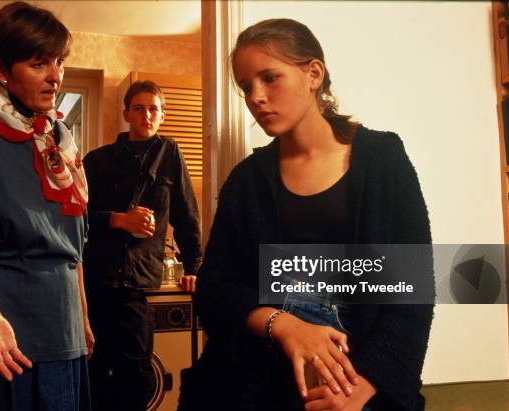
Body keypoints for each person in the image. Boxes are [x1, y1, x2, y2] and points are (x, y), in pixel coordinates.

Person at [181, 18, 434, 411]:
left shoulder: (383, 158)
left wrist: (365, 386)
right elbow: (214, 289)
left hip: (357, 378)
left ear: (314, 74)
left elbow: (413, 294)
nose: (256, 97)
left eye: (270, 78)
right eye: (247, 87)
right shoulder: (246, 179)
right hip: (256, 380)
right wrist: (283, 325)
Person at [0, 2, 93, 410]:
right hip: (8, 340)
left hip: (67, 336)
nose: (55, 76)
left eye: (59, 62)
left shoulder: (59, 139)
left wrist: (81, 317)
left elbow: (73, 247)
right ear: (1, 69)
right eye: (38, 63)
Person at [83, 80, 203, 410]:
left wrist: (194, 268)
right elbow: (75, 217)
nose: (146, 115)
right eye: (139, 108)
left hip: (138, 287)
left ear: (162, 115)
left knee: (136, 378)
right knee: (92, 376)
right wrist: (118, 220)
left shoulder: (170, 155)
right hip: (94, 282)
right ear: (126, 113)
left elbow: (187, 215)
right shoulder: (96, 161)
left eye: (153, 109)